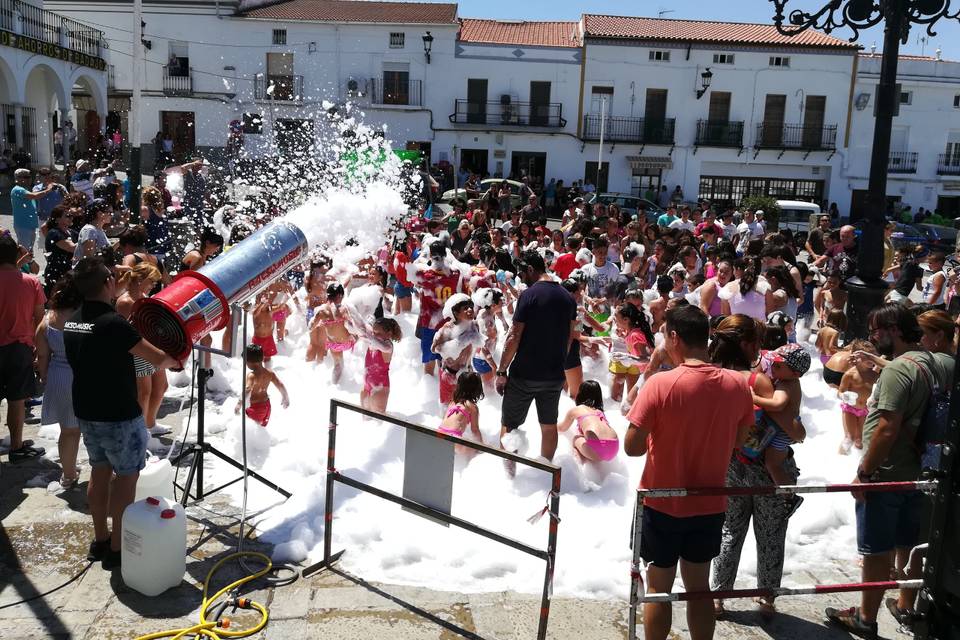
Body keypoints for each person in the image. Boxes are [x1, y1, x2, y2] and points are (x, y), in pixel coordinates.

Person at [625, 305, 753, 640]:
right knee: (699, 588)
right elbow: (739, 441)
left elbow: (632, 447)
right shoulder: (738, 385)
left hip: (662, 502)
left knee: (659, 587)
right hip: (710, 502)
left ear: (674, 337)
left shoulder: (660, 384)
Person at [826, 304, 954, 637]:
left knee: (875, 551)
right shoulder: (934, 361)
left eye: (875, 331)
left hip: (886, 474)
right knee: (911, 545)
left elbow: (886, 428)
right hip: (921, 473)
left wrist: (865, 473)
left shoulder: (899, 371)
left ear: (894, 329)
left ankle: (865, 619)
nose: (872, 337)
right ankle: (905, 604)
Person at [63, 257, 179, 569]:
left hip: (87, 410)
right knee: (126, 477)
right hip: (117, 412)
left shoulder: (73, 320)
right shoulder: (112, 323)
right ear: (107, 285)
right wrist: (179, 352)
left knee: (99, 472)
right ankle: (117, 547)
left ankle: (100, 539)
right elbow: (156, 358)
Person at [708, 314, 800, 618]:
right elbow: (784, 423)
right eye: (757, 343)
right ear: (747, 344)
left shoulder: (713, 375)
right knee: (770, 533)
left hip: (729, 463)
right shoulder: (756, 380)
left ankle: (717, 596)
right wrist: (800, 432)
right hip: (763, 464)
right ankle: (767, 597)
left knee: (729, 530)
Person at [496, 250, 576, 468]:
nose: (521, 277)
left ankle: (508, 476)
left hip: (525, 373)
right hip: (554, 376)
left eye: (522, 272)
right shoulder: (568, 297)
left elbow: (514, 335)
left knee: (509, 425)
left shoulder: (529, 295)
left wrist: (502, 370)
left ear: (531, 269)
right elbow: (570, 337)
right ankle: (546, 471)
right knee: (549, 426)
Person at [0, 234, 46, 463]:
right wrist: (39, 349)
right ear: (17, 255)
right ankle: (16, 447)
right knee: (17, 400)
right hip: (20, 348)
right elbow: (40, 319)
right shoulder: (32, 282)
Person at [35, 274, 83, 487]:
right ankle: (104, 475)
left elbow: (42, 355)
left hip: (59, 376)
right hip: (84, 375)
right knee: (92, 428)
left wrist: (45, 376)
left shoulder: (47, 320)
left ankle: (69, 475)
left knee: (68, 431)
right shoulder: (85, 319)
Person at [751, 344, 810, 506]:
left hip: (783, 433)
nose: (773, 368)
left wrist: (753, 398)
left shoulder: (788, 384)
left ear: (795, 373)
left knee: (773, 464)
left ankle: (790, 497)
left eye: (778, 366)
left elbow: (777, 405)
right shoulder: (786, 380)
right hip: (782, 429)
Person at [115, 262, 169, 437]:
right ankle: (140, 430)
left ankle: (149, 423)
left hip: (151, 345)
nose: (154, 285)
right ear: (140, 280)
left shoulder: (143, 295)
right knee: (144, 392)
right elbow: (124, 333)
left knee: (161, 386)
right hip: (137, 349)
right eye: (151, 281)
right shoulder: (125, 301)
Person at [431, 294, 482, 406]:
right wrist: (459, 342)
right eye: (465, 308)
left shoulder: (474, 325)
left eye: (471, 307)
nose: (470, 310)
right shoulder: (448, 328)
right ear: (456, 313)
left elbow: (477, 344)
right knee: (448, 407)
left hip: (466, 373)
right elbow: (434, 349)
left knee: (464, 408)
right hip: (450, 374)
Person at [557, 380, 618, 464]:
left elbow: (562, 428)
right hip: (614, 447)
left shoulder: (576, 410)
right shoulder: (600, 412)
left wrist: (549, 427)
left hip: (597, 451)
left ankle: (581, 465)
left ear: (580, 394)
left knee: (576, 438)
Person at [837, 342, 880, 454]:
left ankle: (857, 462)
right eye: (868, 357)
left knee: (860, 440)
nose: (872, 359)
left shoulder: (874, 374)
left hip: (865, 411)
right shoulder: (850, 375)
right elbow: (840, 392)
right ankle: (839, 459)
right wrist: (843, 395)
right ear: (857, 357)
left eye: (873, 356)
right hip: (850, 409)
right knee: (849, 438)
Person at [608, 303, 654, 403]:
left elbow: (647, 358)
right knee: (631, 402)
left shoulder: (635, 335)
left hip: (649, 375)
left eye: (616, 318)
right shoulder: (631, 333)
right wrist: (624, 337)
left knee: (632, 402)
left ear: (626, 320)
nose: (614, 321)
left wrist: (629, 358)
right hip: (645, 373)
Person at [235, 344, 289, 428]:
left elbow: (247, 389)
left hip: (255, 409)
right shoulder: (269, 373)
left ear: (249, 362)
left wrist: (239, 404)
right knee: (260, 430)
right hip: (266, 407)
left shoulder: (251, 376)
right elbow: (280, 384)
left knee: (249, 431)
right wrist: (285, 397)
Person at [357, 317, 402, 414]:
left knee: (377, 421)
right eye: (373, 332)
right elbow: (363, 334)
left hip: (380, 388)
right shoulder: (373, 343)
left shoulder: (388, 346)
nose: (374, 335)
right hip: (366, 386)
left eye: (378, 333)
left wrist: (367, 334)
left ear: (388, 334)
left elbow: (373, 341)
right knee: (365, 421)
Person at [437, 371, 484, 456]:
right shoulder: (472, 407)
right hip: (454, 437)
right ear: (476, 389)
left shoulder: (453, 402)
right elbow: (475, 430)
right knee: (474, 455)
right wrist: (481, 448)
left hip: (439, 433)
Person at [11, 168, 54, 253]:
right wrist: (49, 189)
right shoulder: (18, 189)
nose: (29, 179)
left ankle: (27, 265)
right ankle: (22, 266)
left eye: (29, 177)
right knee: (24, 251)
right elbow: (35, 196)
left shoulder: (24, 189)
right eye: (26, 177)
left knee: (28, 251)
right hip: (23, 225)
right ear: (18, 179)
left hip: (28, 225)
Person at [72, 199, 112, 265]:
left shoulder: (99, 230)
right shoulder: (90, 230)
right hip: (88, 274)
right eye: (110, 212)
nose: (111, 215)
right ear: (100, 214)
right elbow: (89, 259)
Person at [251, 292, 280, 363]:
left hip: (269, 339)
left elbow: (280, 307)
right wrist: (261, 303)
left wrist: (283, 301)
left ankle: (267, 369)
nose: (265, 302)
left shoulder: (269, 312)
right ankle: (258, 372)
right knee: (257, 359)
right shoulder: (256, 312)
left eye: (267, 300)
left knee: (268, 358)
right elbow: (255, 313)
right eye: (264, 300)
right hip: (258, 339)